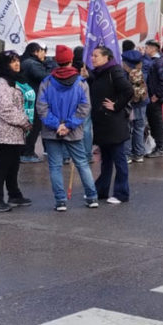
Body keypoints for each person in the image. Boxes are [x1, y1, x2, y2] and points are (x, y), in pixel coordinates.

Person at [36, 45, 99, 211]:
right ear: (71, 60)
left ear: (57, 61)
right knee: (82, 164)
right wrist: (69, 125)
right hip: (74, 131)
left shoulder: (47, 82)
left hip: (51, 132)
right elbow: (85, 107)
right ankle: (92, 197)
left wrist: (57, 125)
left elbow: (41, 108)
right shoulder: (81, 83)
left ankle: (60, 201)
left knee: (55, 166)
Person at [0, 51, 34, 212]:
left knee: (13, 165)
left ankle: (14, 194)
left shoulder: (13, 81)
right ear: (4, 64)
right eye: (12, 62)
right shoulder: (2, 84)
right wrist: (24, 122)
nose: (16, 64)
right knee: (3, 165)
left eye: (17, 60)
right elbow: (5, 109)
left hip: (14, 131)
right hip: (5, 130)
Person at [89, 46, 134, 205]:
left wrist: (116, 105)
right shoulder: (98, 73)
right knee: (106, 160)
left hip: (114, 124)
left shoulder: (114, 71)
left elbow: (128, 90)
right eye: (92, 55)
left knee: (119, 159)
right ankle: (101, 190)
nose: (93, 58)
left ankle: (122, 193)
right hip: (102, 123)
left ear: (106, 58)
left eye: (96, 56)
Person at [19, 43, 49, 162]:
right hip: (33, 100)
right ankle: (28, 153)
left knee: (27, 127)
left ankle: (24, 152)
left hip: (26, 99)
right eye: (42, 51)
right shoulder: (32, 64)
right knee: (34, 127)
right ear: (35, 52)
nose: (44, 54)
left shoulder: (24, 61)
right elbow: (44, 77)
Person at [121, 49, 149, 163]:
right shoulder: (144, 70)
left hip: (127, 104)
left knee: (127, 128)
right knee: (139, 128)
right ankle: (138, 154)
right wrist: (145, 55)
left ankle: (127, 155)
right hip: (142, 102)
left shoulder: (122, 72)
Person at [143, 40, 163, 155]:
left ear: (154, 49)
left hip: (155, 99)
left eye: (147, 48)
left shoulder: (159, 62)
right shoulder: (151, 62)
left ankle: (159, 147)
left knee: (156, 123)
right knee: (152, 123)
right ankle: (154, 146)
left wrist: (157, 95)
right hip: (149, 98)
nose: (145, 49)